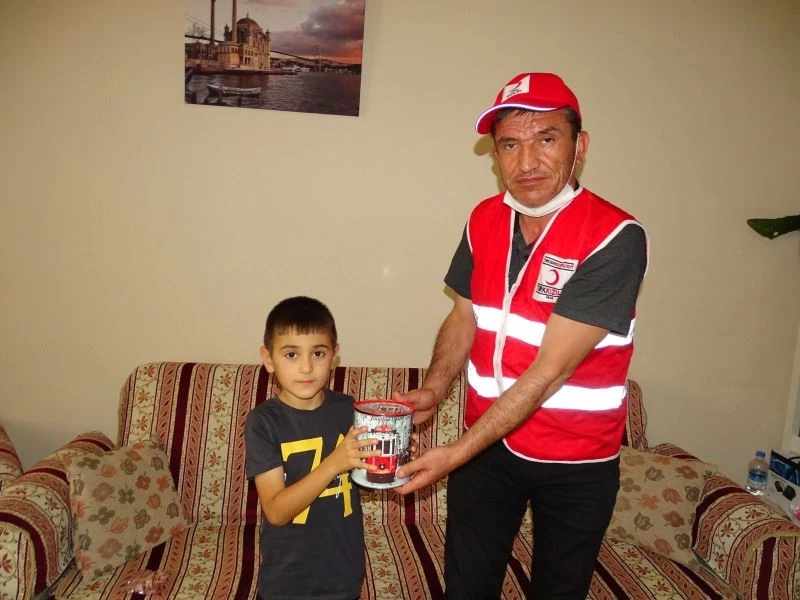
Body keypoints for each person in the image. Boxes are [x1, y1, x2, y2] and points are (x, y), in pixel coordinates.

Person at [394, 72, 649, 600]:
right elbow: (464, 316)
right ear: (495, 155)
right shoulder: (483, 219)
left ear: (580, 146)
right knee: (466, 587)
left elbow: (551, 371)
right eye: (510, 144)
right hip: (490, 449)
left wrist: (456, 453)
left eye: (546, 139)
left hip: (576, 459)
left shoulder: (615, 236)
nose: (526, 161)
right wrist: (436, 389)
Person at [245, 296, 379, 600]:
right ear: (268, 359)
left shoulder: (348, 409)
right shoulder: (263, 422)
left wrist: (390, 461)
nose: (306, 367)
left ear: (334, 355)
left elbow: (361, 483)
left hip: (344, 575)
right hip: (288, 581)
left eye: (318, 353)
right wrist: (335, 463)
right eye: (291, 354)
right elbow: (276, 512)